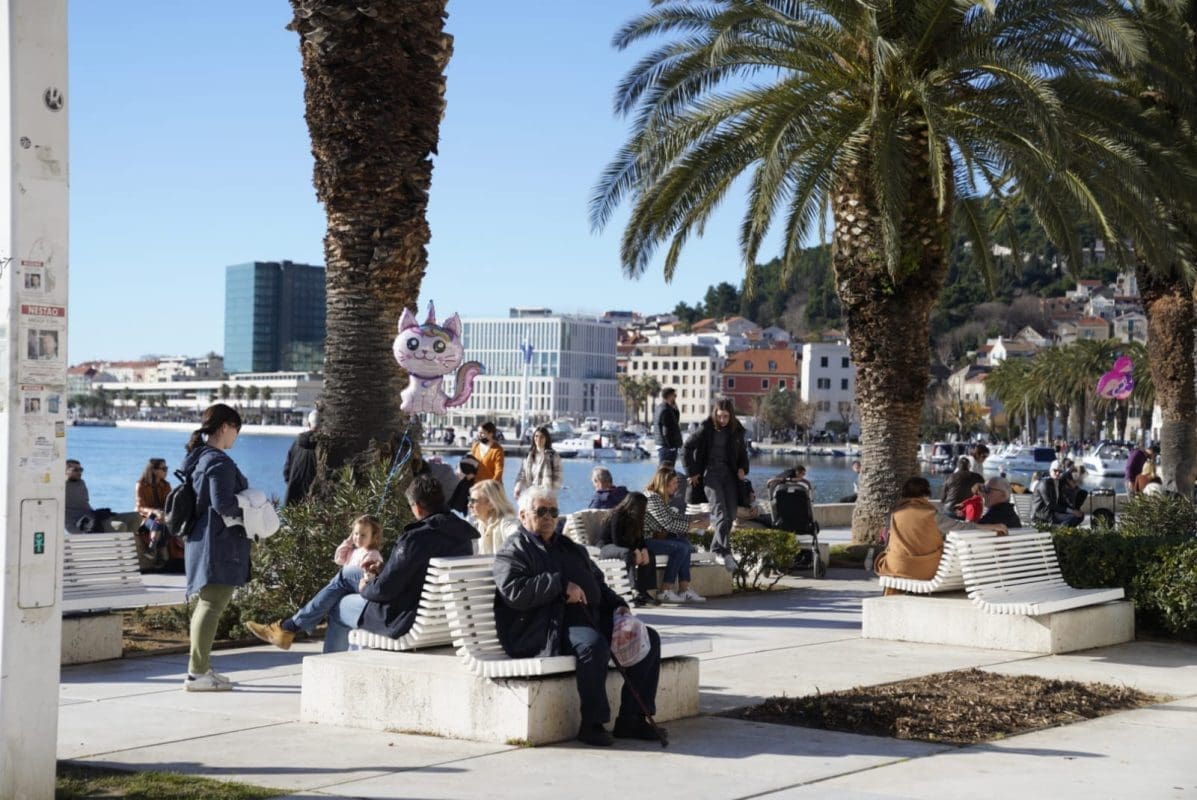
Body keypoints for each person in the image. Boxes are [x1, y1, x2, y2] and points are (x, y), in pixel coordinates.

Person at [493, 486, 665, 747]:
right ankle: (592, 723)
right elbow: (514, 591)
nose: (549, 517)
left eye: (553, 512)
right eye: (541, 511)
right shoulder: (514, 550)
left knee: (648, 637)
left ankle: (632, 718)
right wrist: (560, 586)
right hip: (548, 626)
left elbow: (598, 583)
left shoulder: (569, 547)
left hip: (590, 617)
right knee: (592, 646)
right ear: (524, 515)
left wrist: (618, 606)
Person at [248, 476, 480, 653]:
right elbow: (412, 573)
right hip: (438, 618)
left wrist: (367, 586)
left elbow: (384, 590)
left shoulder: (416, 538)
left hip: (401, 618)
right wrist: (381, 571)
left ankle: (304, 644)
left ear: (417, 507)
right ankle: (288, 627)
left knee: (339, 606)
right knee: (347, 573)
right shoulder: (463, 535)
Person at [181, 403, 250, 691]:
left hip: (202, 538)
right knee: (212, 604)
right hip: (218, 542)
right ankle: (197, 673)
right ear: (225, 427)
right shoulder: (219, 462)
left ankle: (200, 668)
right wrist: (251, 505)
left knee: (208, 603)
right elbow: (223, 504)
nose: (236, 436)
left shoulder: (199, 456)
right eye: (236, 430)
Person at [247, 514, 385, 651]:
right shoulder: (354, 551)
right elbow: (339, 558)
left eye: (363, 535)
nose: (358, 538)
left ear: (374, 537)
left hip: (363, 587)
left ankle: (288, 628)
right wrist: (349, 541)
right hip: (350, 588)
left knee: (344, 574)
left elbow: (368, 577)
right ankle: (291, 631)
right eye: (355, 533)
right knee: (335, 604)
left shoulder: (372, 554)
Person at [874, 476, 1007, 586]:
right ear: (926, 494)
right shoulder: (931, 514)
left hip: (895, 566)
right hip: (925, 571)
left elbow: (888, 541)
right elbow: (960, 527)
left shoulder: (894, 512)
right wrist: (989, 526)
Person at [683, 398, 750, 573]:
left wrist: (743, 468)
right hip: (710, 474)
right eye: (719, 416)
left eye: (726, 416)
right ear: (715, 414)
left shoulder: (736, 431)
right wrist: (692, 472)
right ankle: (723, 552)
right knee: (721, 513)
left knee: (731, 515)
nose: (722, 420)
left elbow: (743, 454)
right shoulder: (705, 428)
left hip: (729, 476)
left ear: (731, 415)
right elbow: (687, 448)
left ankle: (716, 549)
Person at [643, 467, 707, 603]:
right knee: (681, 547)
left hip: (652, 539)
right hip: (644, 541)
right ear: (664, 483)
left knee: (684, 544)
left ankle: (684, 590)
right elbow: (668, 524)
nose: (677, 486)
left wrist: (695, 517)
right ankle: (664, 590)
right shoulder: (652, 498)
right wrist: (694, 525)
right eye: (674, 483)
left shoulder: (658, 497)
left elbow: (673, 515)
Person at [597, 492, 659, 606]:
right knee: (628, 553)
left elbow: (640, 538)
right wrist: (635, 550)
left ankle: (643, 591)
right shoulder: (617, 515)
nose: (646, 509)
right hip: (606, 547)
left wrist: (643, 549)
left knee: (649, 554)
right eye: (644, 506)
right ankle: (631, 589)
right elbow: (617, 540)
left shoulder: (637, 518)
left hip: (624, 547)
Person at [134, 457, 173, 565]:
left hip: (162, 517)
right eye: (163, 469)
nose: (166, 471)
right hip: (145, 517)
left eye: (166, 468)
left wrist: (163, 513)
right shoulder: (141, 485)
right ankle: (160, 555)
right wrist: (155, 512)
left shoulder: (166, 485)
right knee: (158, 520)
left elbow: (170, 505)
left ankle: (152, 548)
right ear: (154, 470)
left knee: (161, 521)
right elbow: (140, 507)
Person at [470, 479, 520, 554]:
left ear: (491, 504)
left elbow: (520, 536)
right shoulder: (480, 525)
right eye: (469, 500)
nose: (469, 505)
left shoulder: (507, 521)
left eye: (473, 501)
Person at [513, 426, 563, 499]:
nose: (538, 439)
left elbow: (558, 477)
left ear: (546, 439)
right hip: (530, 494)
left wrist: (549, 492)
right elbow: (522, 474)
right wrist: (518, 488)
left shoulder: (553, 455)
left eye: (542, 437)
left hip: (547, 497)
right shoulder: (529, 455)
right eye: (536, 436)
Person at [282, 410, 319, 506]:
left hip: (293, 498)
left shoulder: (296, 443)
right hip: (314, 502)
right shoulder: (323, 447)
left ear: (309, 424)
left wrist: (292, 485)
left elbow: (286, 471)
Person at [1032, 461, 1084, 527]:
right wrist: (1072, 512)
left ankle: (1064, 530)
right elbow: (1050, 504)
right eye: (1055, 471)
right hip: (1042, 514)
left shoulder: (1058, 483)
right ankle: (1059, 530)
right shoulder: (1044, 483)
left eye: (1060, 471)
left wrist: (1073, 510)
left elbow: (1062, 501)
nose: (1057, 473)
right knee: (1073, 517)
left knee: (1080, 516)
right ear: (1050, 471)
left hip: (1053, 511)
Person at [652, 387, 683, 465]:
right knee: (666, 469)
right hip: (666, 447)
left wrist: (675, 408)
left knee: (666, 470)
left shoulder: (662, 407)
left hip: (664, 445)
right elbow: (666, 430)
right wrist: (671, 447)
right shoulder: (666, 410)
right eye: (674, 395)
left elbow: (675, 421)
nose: (675, 397)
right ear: (669, 396)